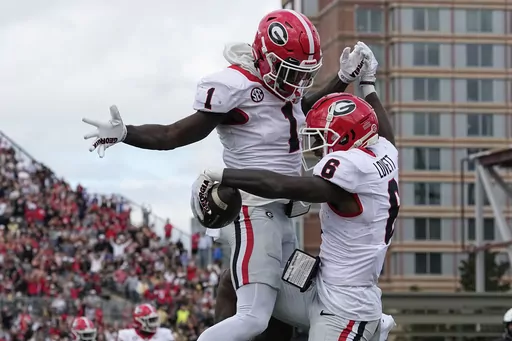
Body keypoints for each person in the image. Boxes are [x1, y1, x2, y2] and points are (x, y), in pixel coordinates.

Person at [82, 7, 367, 341]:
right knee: (253, 317)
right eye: (290, 72)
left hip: (283, 217)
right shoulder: (236, 85)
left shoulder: (284, 90)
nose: (298, 82)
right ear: (263, 58)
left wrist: (343, 80)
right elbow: (175, 134)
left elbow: (302, 112)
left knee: (285, 317)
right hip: (250, 210)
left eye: (303, 74)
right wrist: (126, 132)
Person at [194, 43, 398, 341]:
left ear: (347, 138)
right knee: (234, 281)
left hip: (346, 310)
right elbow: (385, 133)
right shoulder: (382, 152)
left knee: (251, 314)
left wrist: (224, 175)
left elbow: (281, 185)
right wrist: (367, 85)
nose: (318, 145)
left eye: (324, 137)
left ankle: (372, 327)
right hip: (320, 287)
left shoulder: (350, 170)